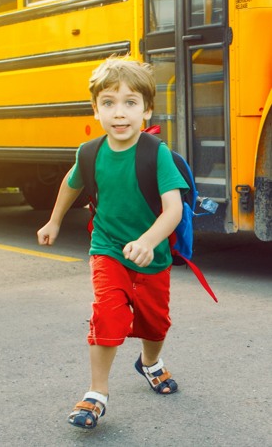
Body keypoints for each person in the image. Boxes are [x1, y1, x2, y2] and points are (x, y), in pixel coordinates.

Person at [37, 56, 188, 430]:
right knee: (108, 312)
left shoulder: (156, 154)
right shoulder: (90, 152)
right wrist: (54, 221)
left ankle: (150, 363)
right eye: (108, 103)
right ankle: (96, 394)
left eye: (130, 103)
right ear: (96, 109)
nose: (119, 114)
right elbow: (71, 185)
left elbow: (174, 210)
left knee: (155, 324)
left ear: (146, 109)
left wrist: (150, 241)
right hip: (107, 249)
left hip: (151, 257)